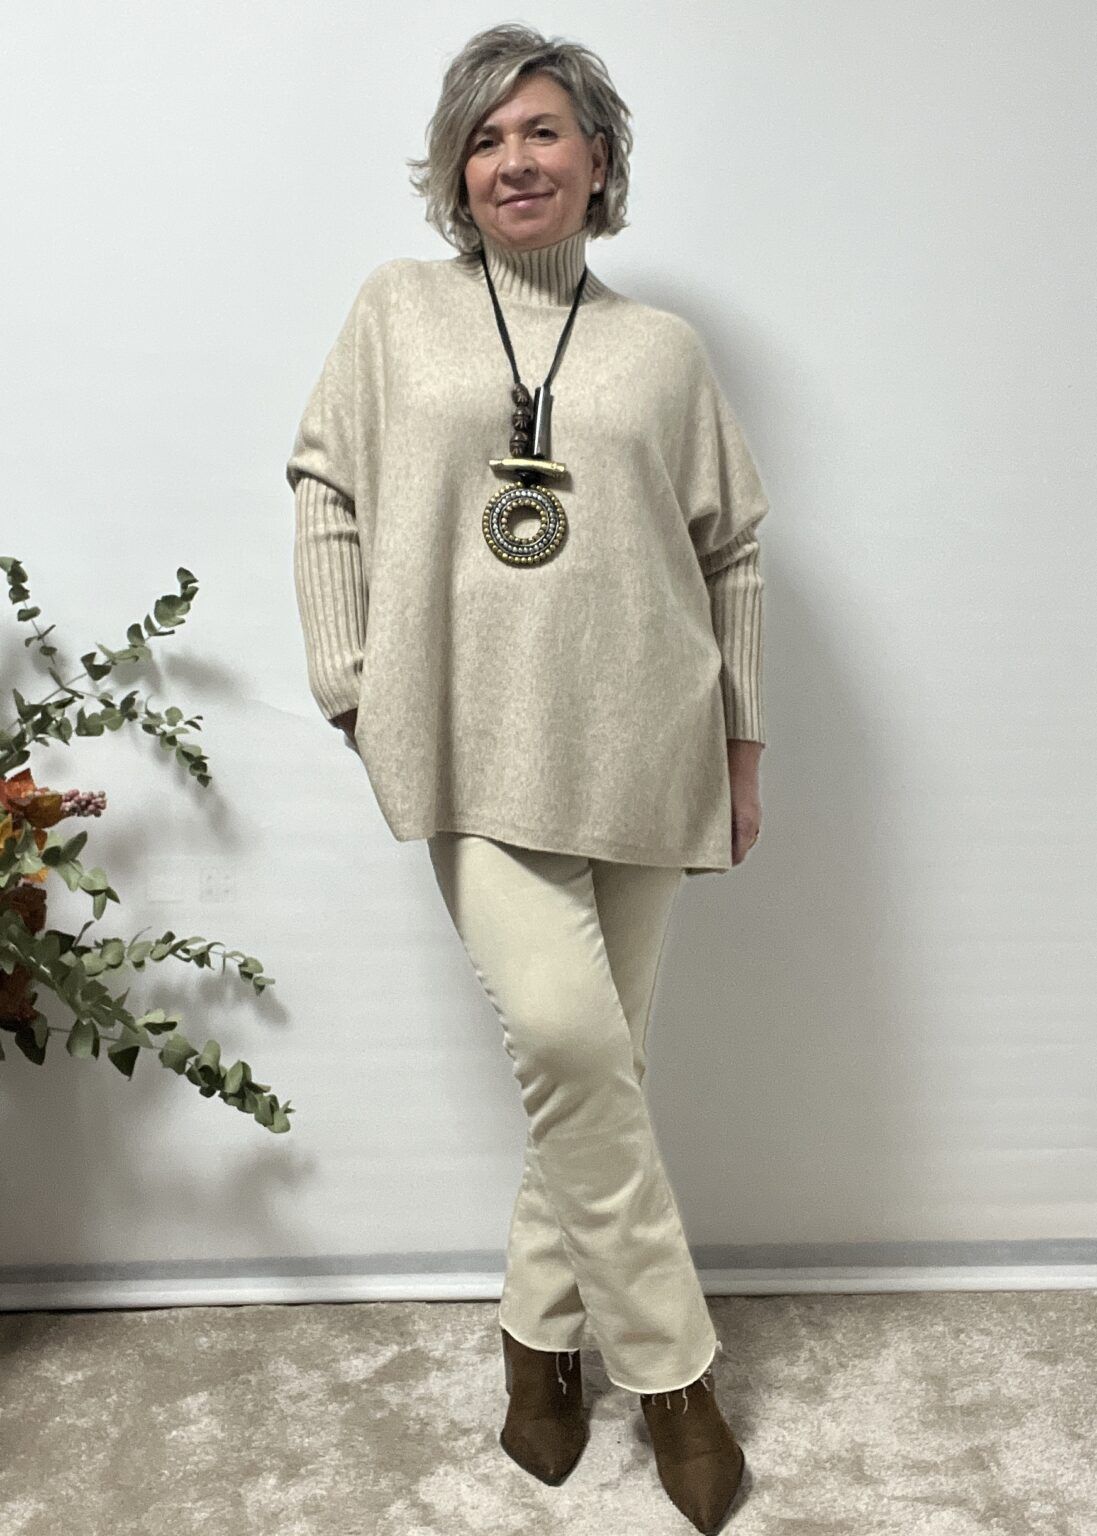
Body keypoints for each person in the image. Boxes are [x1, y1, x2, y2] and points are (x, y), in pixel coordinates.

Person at [286, 23, 768, 1533]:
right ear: (454, 169)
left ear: (598, 160)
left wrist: (742, 749)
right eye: (486, 138)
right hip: (470, 739)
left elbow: (732, 555)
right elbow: (325, 485)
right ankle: (676, 1373)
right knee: (569, 1038)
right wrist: (349, 679)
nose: (515, 160)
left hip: (651, 743)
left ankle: (538, 1343)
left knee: (596, 1066)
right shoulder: (398, 310)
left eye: (544, 131)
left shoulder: (662, 351)